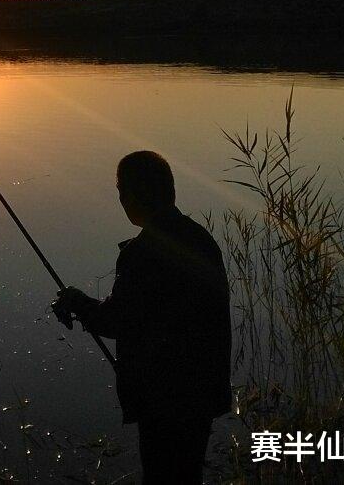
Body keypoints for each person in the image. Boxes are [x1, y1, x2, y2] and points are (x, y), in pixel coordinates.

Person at [52, 150, 231, 484]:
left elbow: (117, 321)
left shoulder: (142, 254)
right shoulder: (200, 239)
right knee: (187, 473)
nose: (120, 199)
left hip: (165, 397)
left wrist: (77, 301)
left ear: (135, 195)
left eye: (122, 191)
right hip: (203, 390)